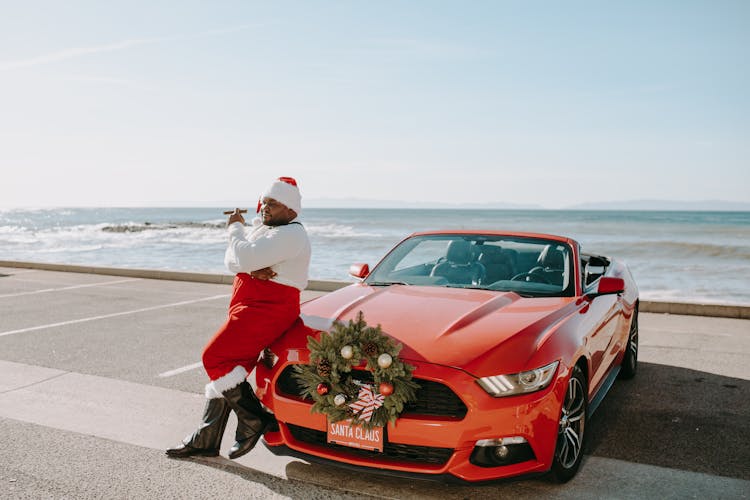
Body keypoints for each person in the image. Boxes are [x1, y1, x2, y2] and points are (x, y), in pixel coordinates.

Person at [166, 176, 311, 460]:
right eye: (264, 201)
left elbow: (240, 257)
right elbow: (232, 260)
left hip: (267, 308)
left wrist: (235, 228)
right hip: (250, 305)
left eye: (273, 203)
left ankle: (253, 418)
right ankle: (206, 439)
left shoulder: (291, 233)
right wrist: (248, 267)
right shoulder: (266, 230)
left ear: (291, 210)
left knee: (214, 357)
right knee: (233, 367)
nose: (265, 208)